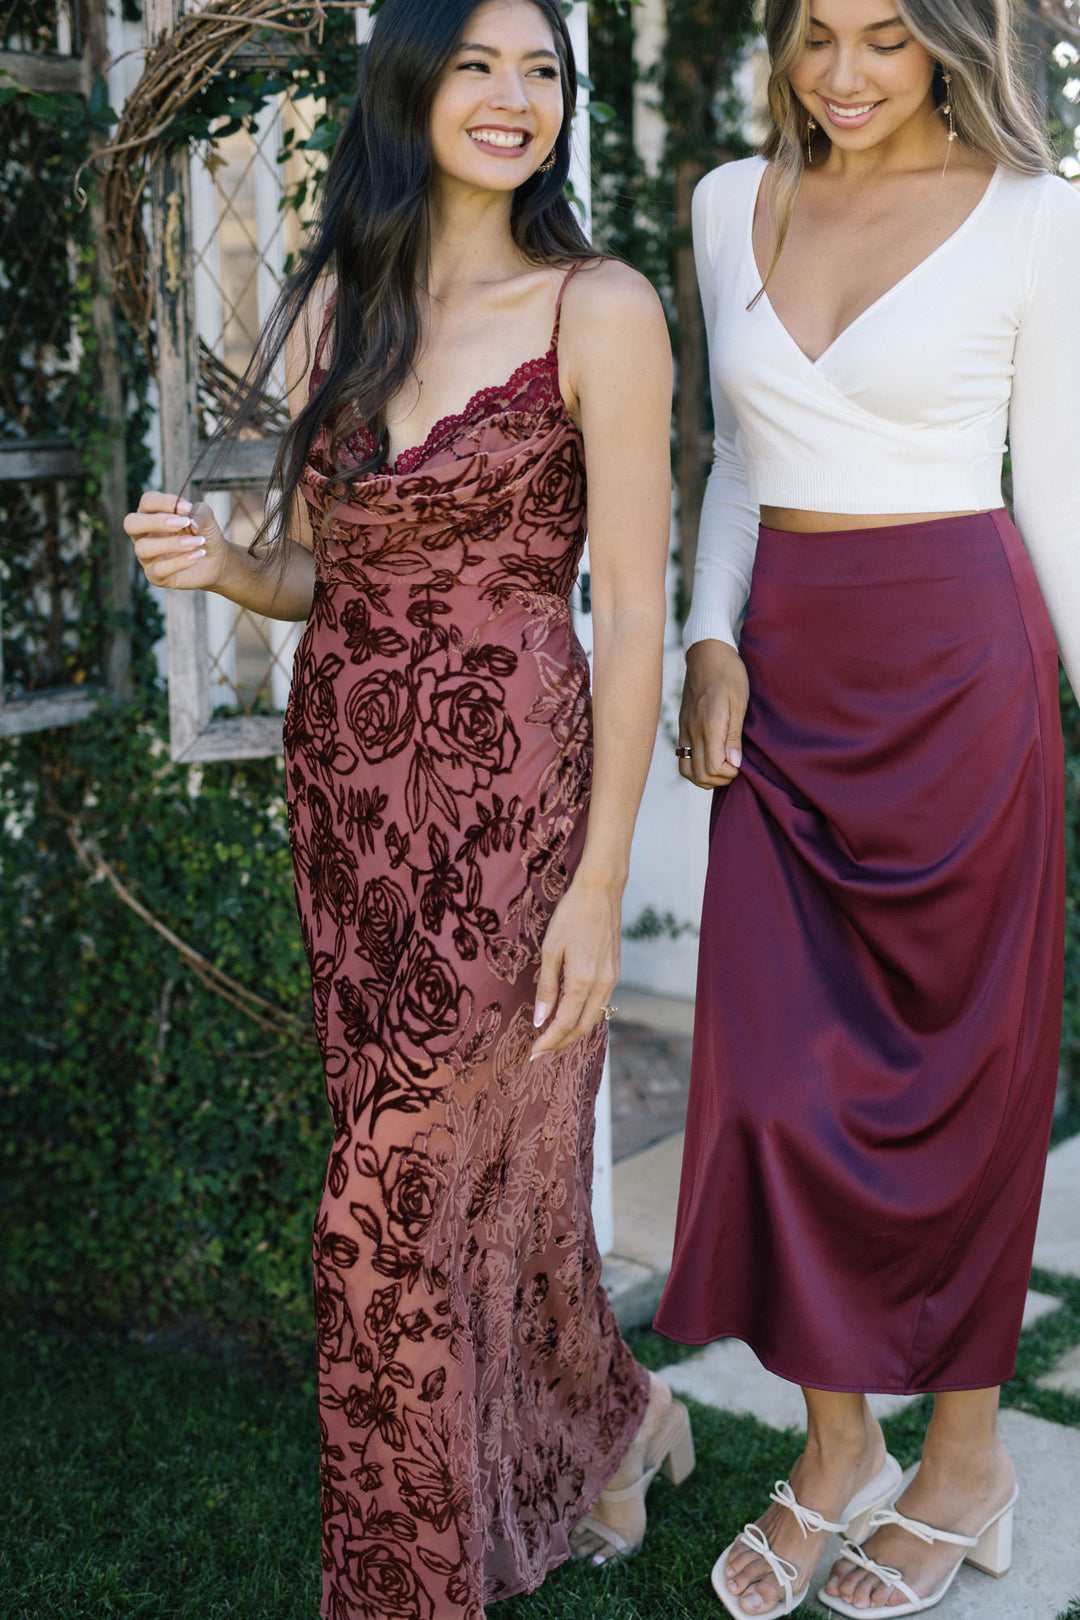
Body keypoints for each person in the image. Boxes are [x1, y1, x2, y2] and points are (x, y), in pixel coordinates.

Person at [125, 1, 693, 1614]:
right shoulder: (340, 305)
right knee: (468, 1176)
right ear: (410, 81)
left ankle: (402, 1580)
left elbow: (633, 615)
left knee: (383, 1201)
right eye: (480, 63)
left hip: (514, 810)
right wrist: (225, 565)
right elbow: (335, 581)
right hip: (351, 806)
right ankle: (619, 1421)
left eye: (546, 72)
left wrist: (599, 888)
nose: (517, 99)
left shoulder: (602, 308)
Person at [652, 0, 1080, 1615]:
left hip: (962, 675)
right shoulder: (722, 200)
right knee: (772, 1081)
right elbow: (740, 459)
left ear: (950, 49)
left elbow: (1057, 484)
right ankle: (842, 1450)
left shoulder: (1043, 220)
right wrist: (708, 637)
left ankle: (965, 1462)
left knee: (963, 1092)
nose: (841, 74)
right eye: (814, 35)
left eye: (886, 39)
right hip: (786, 678)